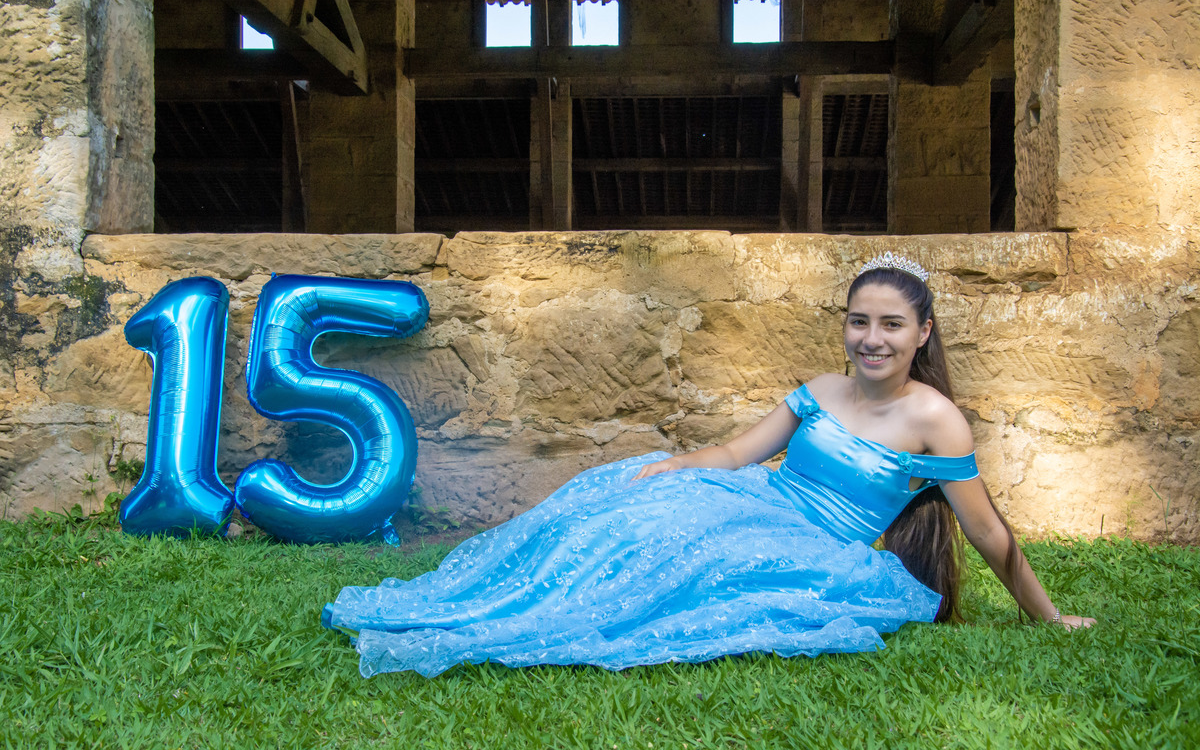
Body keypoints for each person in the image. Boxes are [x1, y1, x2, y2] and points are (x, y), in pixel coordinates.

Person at [323, 253, 1095, 677]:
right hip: (756, 496)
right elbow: (737, 452)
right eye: (859, 321)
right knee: (624, 503)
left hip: (817, 543)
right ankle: (493, 599)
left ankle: (537, 623)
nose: (872, 339)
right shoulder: (823, 390)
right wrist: (683, 467)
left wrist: (1047, 614)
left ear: (922, 332)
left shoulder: (935, 420)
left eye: (891, 325)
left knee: (680, 562)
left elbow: (987, 532)